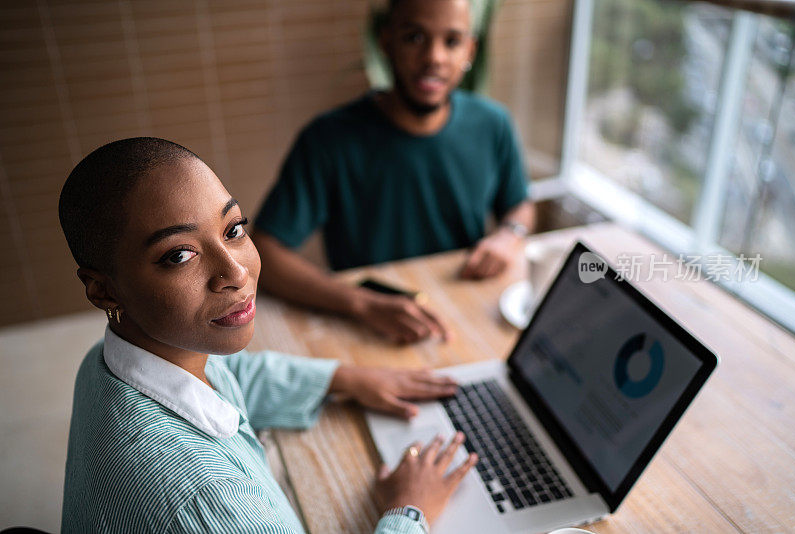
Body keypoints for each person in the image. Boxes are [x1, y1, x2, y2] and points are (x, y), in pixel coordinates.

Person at [58, 137, 477, 533]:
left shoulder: (112, 360)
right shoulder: (208, 501)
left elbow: (231, 376)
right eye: (179, 255)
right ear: (103, 289)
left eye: (233, 229)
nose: (236, 272)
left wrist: (342, 378)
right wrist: (409, 509)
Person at [251, 0, 535, 345]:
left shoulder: (493, 124)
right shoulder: (328, 139)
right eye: (415, 37)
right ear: (386, 43)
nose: (435, 58)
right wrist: (362, 304)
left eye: (452, 41)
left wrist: (509, 234)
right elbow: (265, 250)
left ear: (470, 50)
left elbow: (520, 204)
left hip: (464, 318)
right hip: (367, 329)